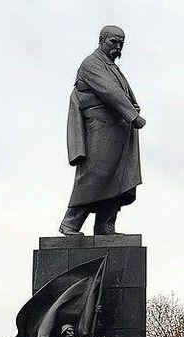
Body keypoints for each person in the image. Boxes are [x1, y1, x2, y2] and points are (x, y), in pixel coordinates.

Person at [60, 25, 146, 236]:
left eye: (121, 43)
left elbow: (120, 93)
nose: (118, 47)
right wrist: (133, 115)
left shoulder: (112, 67)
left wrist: (131, 108)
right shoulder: (92, 64)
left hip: (118, 131)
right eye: (113, 42)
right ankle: (70, 223)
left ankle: (105, 226)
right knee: (96, 175)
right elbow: (110, 92)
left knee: (118, 178)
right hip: (100, 130)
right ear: (101, 40)